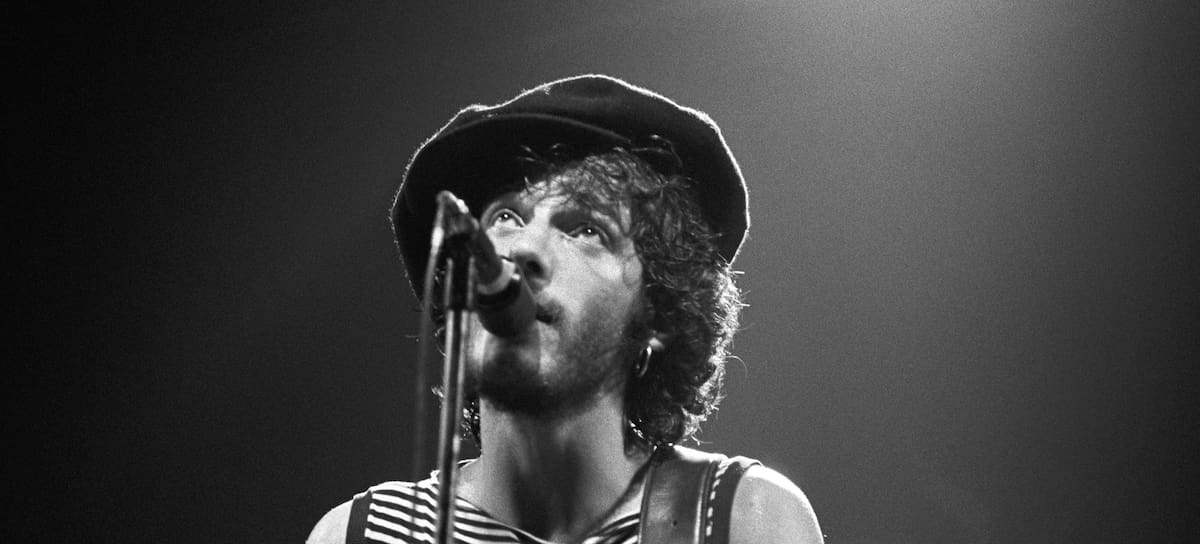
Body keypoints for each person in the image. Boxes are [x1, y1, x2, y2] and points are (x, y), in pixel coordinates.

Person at [308, 75, 823, 544]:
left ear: (659, 315)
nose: (523, 250)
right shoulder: (356, 536)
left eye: (585, 230)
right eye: (506, 218)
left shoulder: (744, 519)